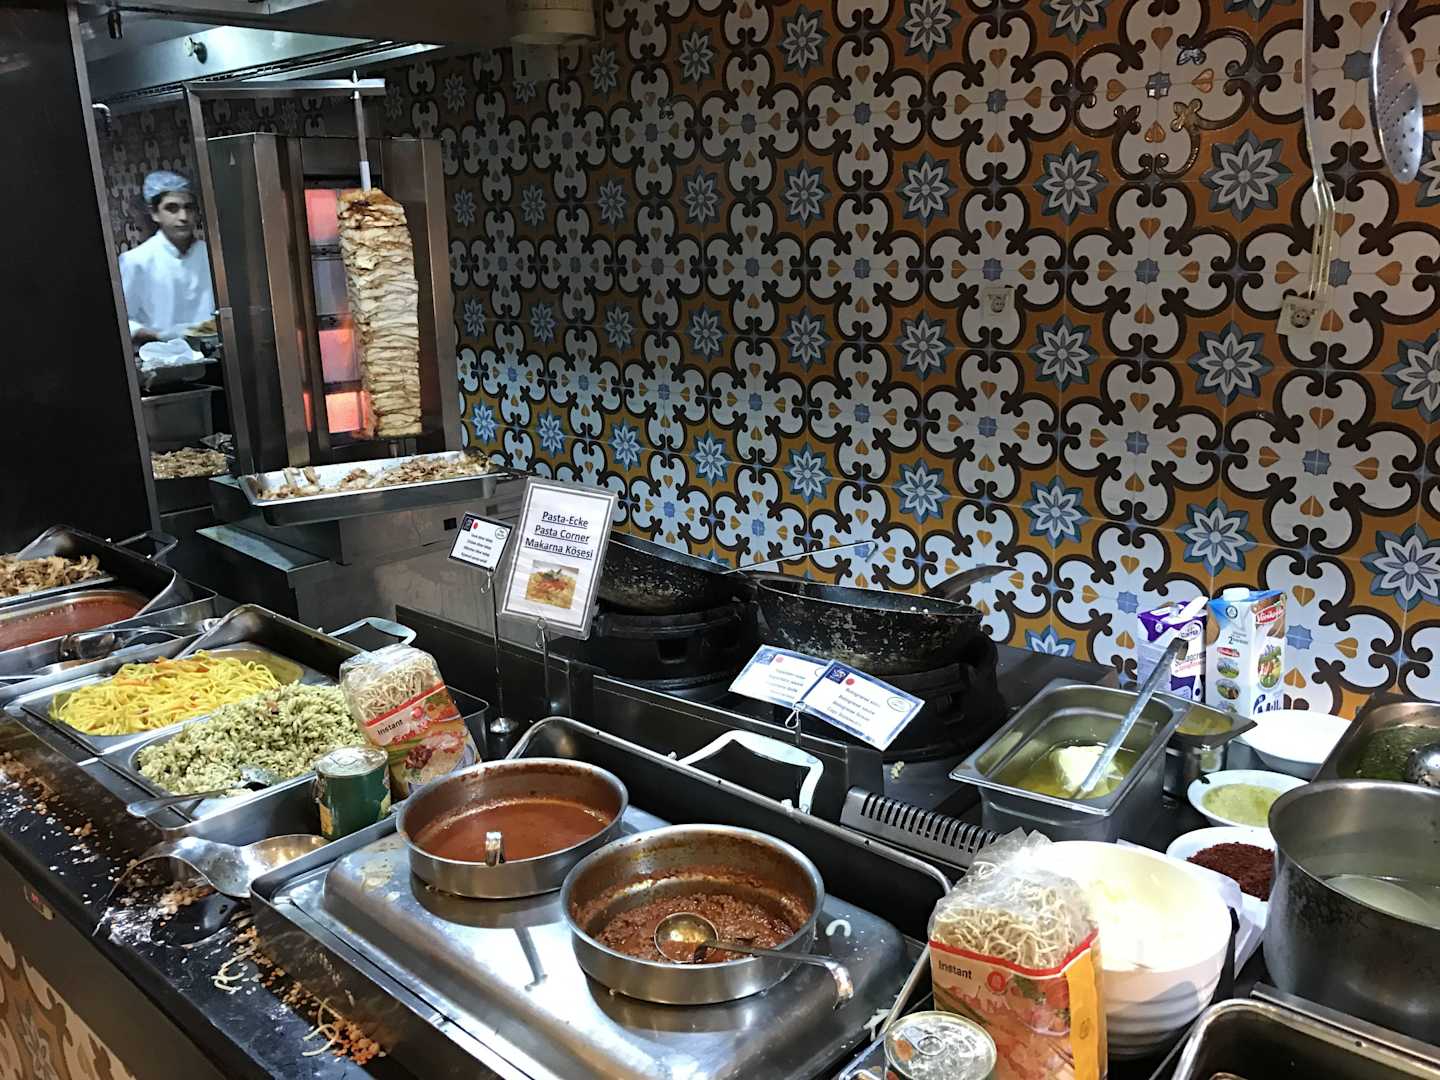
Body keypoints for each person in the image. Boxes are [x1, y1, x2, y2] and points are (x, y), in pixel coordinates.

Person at [118, 170, 216, 344]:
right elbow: (123, 321)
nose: (183, 217)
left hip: (215, 355)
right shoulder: (136, 261)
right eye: (172, 208)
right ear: (154, 213)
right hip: (161, 356)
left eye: (188, 208)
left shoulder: (212, 256)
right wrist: (160, 335)